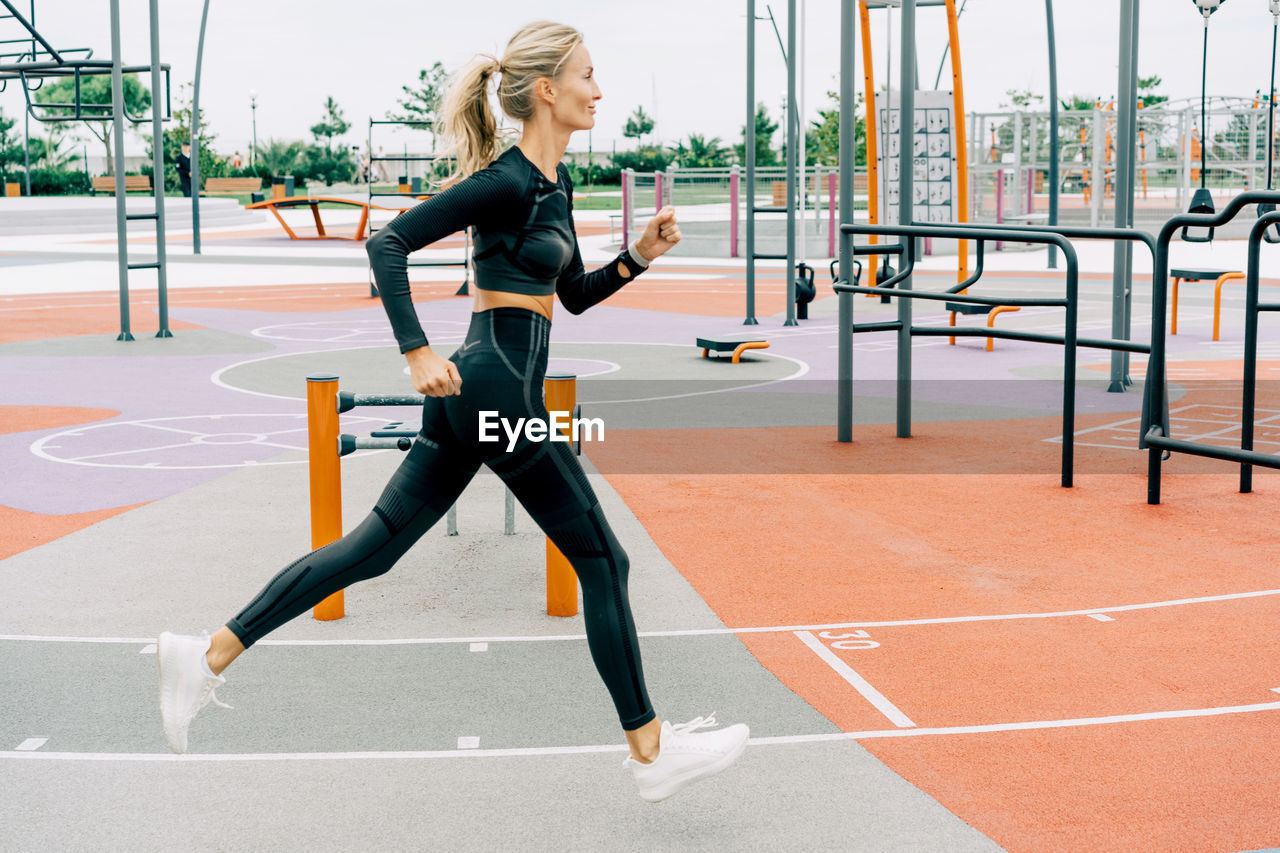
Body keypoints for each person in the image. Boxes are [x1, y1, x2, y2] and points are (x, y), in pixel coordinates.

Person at [156, 20, 749, 804]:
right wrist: (415, 351)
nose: (598, 90)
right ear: (547, 90)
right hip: (492, 389)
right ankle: (650, 750)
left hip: (487, 393)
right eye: (587, 75)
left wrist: (639, 257)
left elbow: (565, 297)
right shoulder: (505, 181)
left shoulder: (554, 185)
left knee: (374, 549)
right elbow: (389, 244)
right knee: (605, 560)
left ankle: (203, 655)